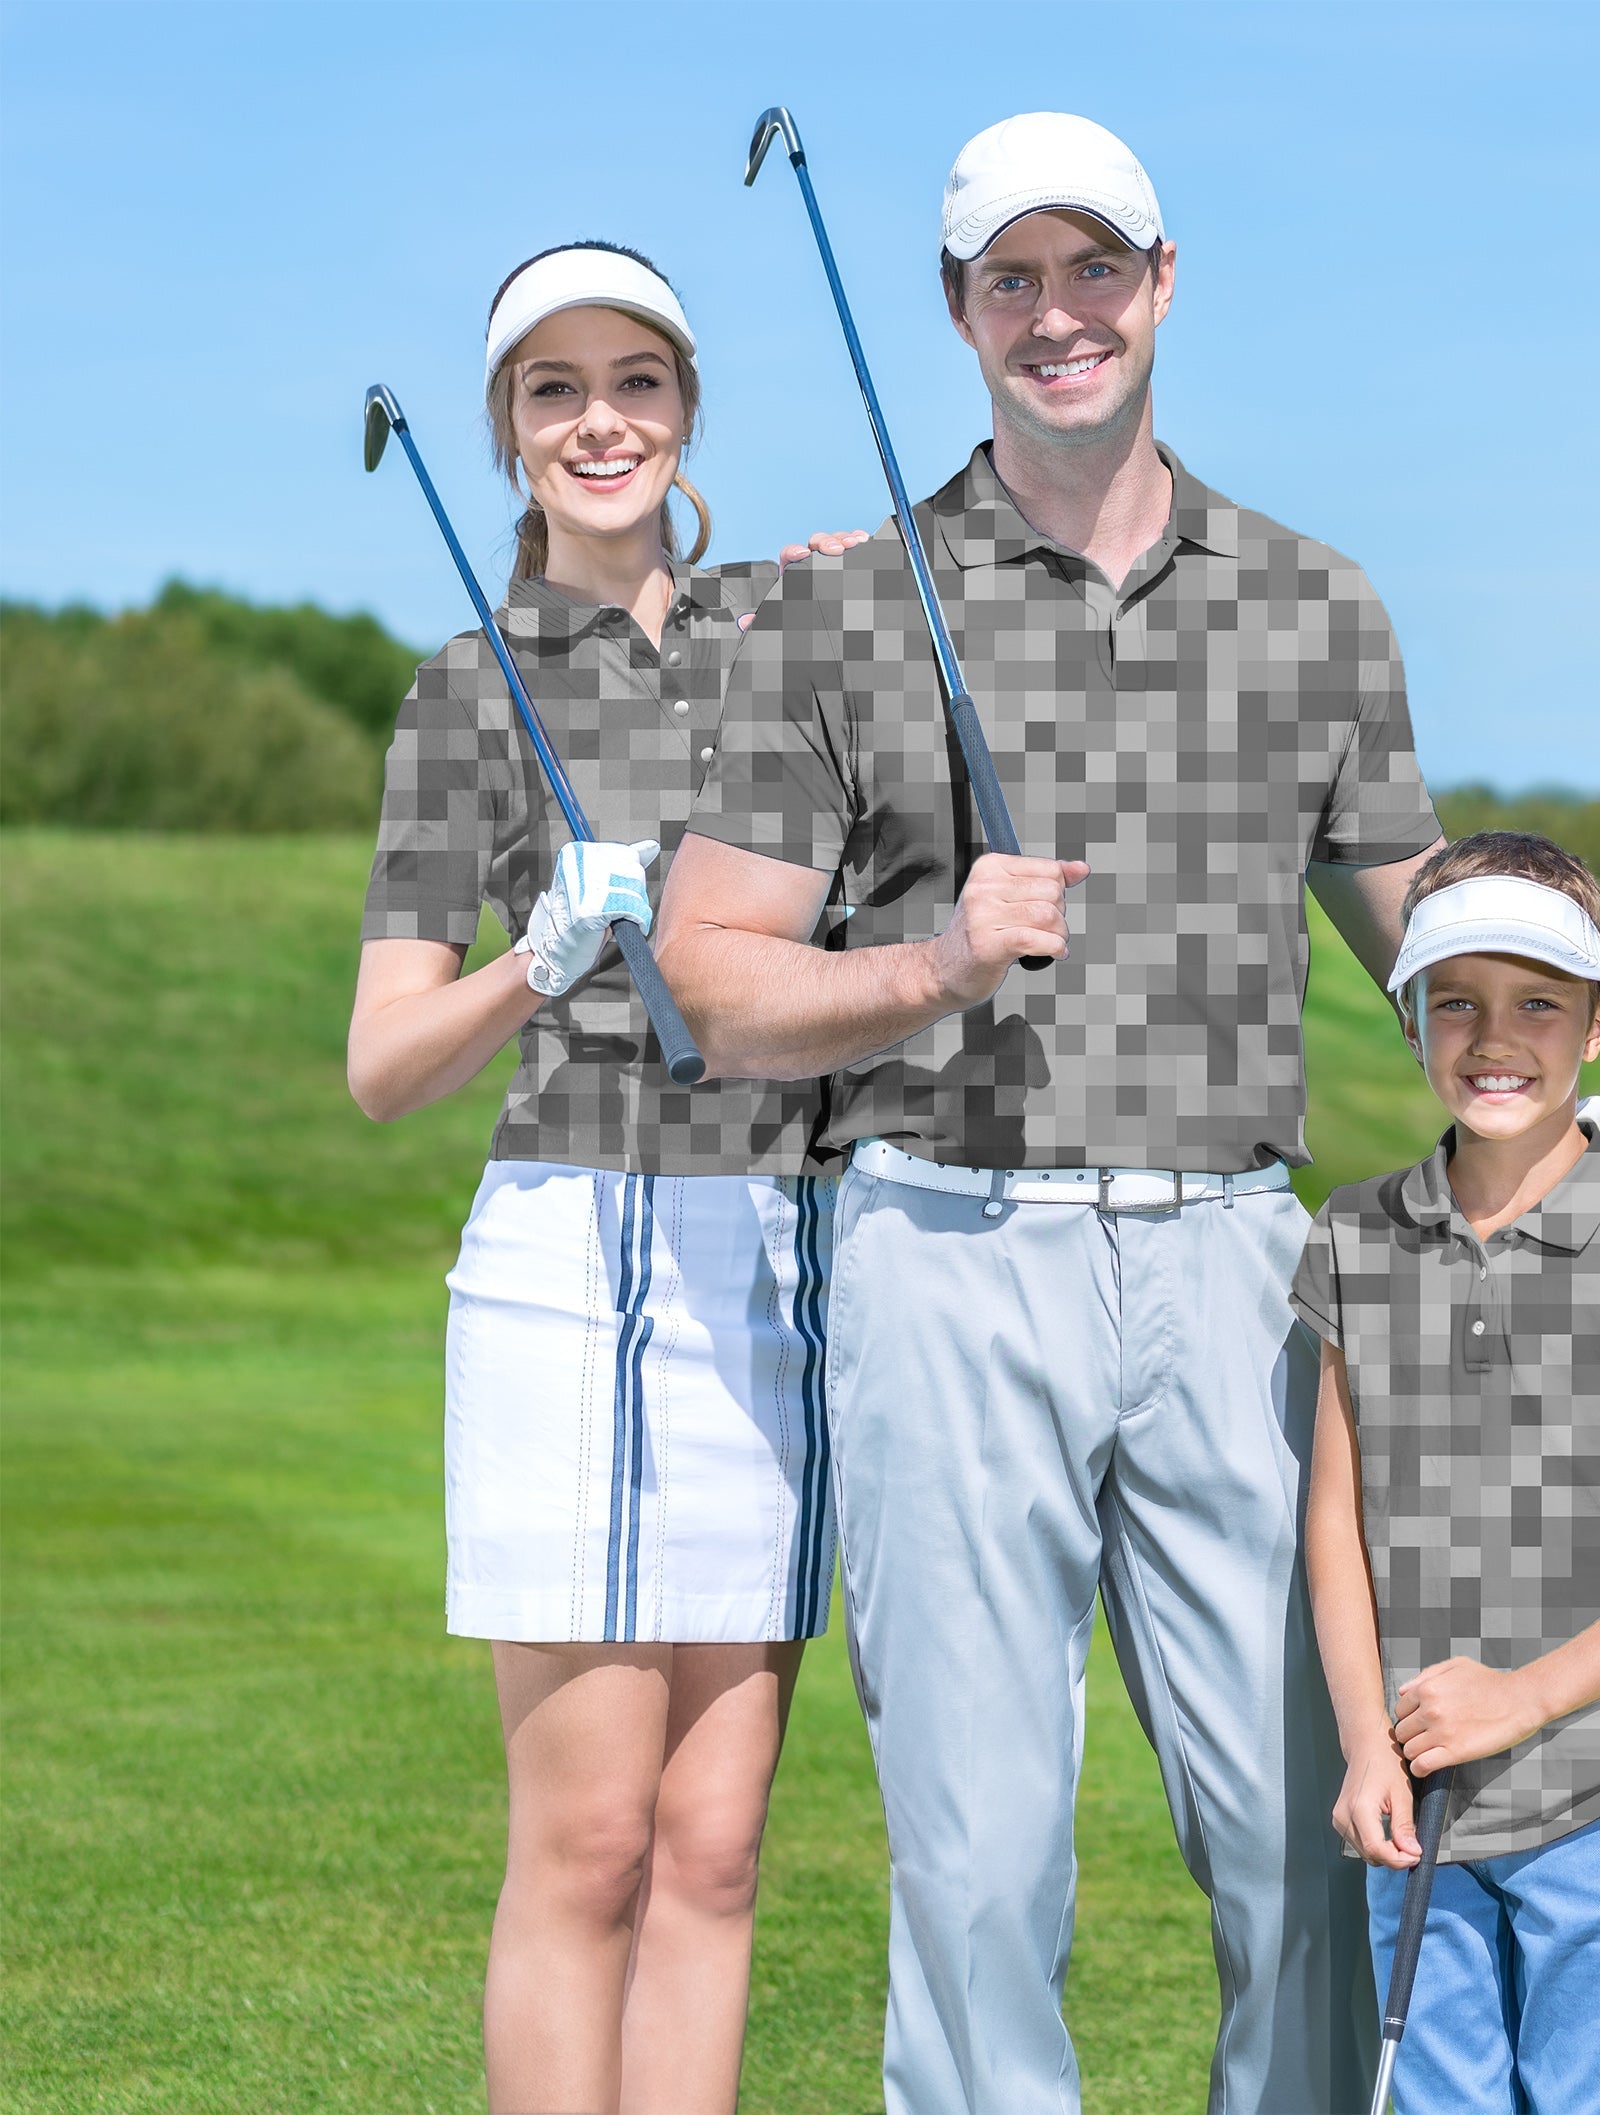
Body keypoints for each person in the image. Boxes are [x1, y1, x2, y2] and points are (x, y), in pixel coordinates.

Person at [656, 116, 1600, 2113]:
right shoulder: (842, 605)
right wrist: (920, 968)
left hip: (1243, 1268)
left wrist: (1580, 1073)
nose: (1058, 315)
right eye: (1011, 279)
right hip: (941, 1247)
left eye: (1094, 269)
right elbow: (712, 974)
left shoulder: (1317, 606)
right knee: (978, 1864)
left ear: (1161, 280)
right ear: (958, 311)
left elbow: (1425, 935)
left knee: (1314, 1829)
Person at [348, 241, 863, 2115]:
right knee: (589, 1847)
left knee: (717, 1846)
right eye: (554, 389)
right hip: (568, 1253)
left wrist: (843, 588)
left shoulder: (794, 640)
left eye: (634, 381)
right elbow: (384, 1063)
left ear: (687, 409)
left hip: (765, 1255)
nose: (600, 421)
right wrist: (535, 958)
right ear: (505, 431)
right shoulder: (458, 695)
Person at [1294, 831, 1600, 2115]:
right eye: (1454, 999)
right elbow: (1333, 1518)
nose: (1493, 1036)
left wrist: (1522, 1701)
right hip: (1418, 1791)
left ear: (1596, 1027)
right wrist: (1363, 1744)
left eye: (1537, 1004)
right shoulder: (1354, 1233)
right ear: (1407, 1017)